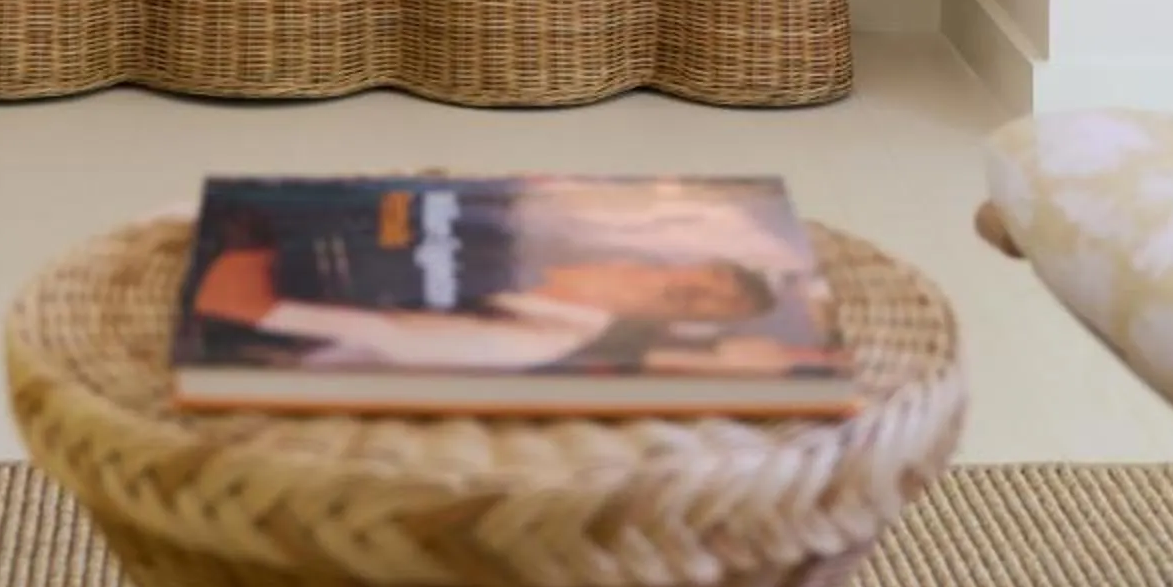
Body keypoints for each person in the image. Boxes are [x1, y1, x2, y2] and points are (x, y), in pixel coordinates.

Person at [190, 187, 779, 374]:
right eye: (718, 276)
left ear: (691, 324)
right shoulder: (539, 223)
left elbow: (241, 304)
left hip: (217, 267)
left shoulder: (538, 337)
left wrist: (251, 233)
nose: (702, 290)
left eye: (716, 306)